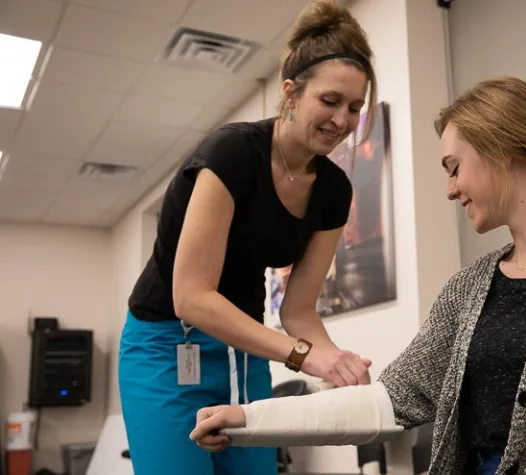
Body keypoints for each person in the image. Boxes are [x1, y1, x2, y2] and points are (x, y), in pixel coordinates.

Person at [188, 76, 526, 475]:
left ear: (500, 150)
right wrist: (251, 419)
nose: (450, 189)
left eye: (454, 167)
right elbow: (391, 401)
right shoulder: (468, 287)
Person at [117, 1, 380, 474]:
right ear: (291, 93)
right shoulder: (231, 155)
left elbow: (297, 309)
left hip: (244, 351)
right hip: (165, 347)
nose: (343, 120)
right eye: (330, 101)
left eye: (355, 107)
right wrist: (305, 356)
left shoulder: (334, 190)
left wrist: (338, 364)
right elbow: (192, 299)